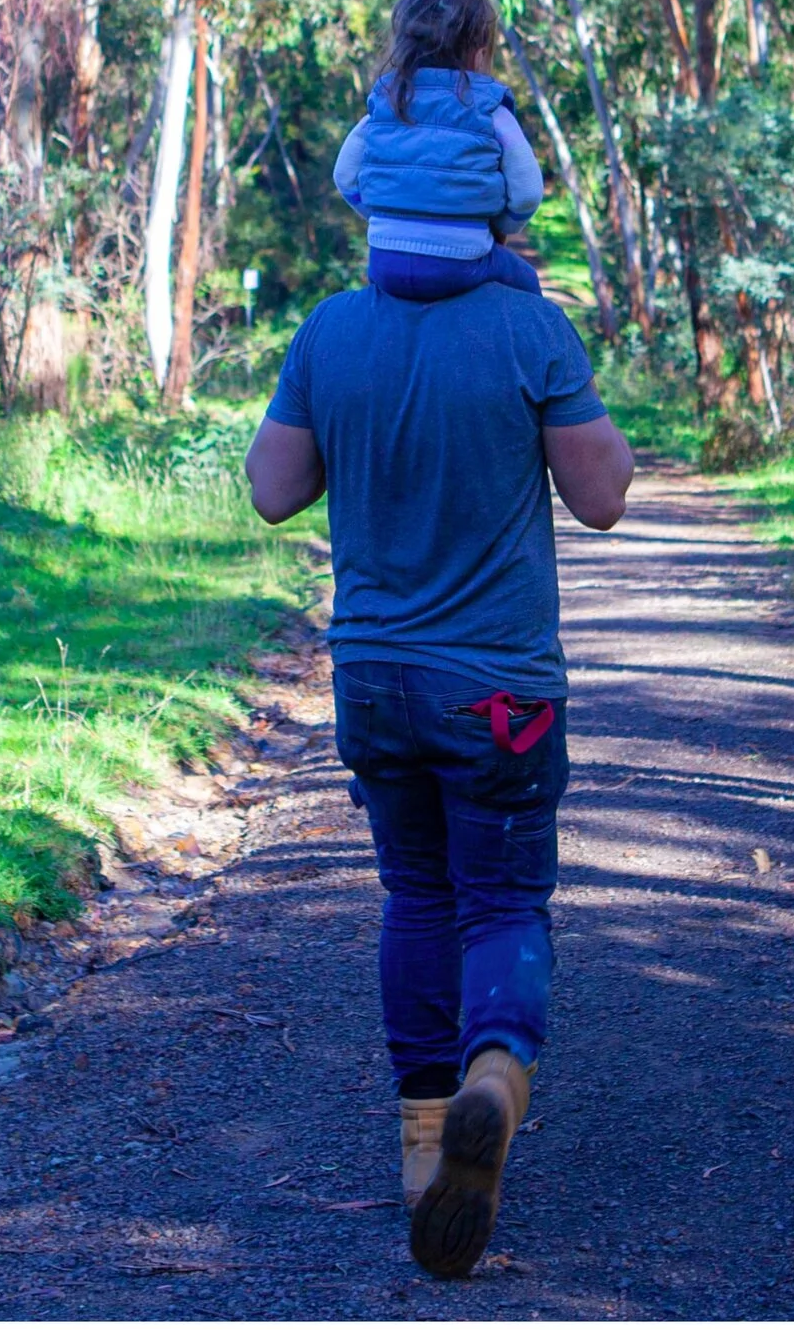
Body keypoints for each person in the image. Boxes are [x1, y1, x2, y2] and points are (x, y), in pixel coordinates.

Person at [241, 215, 634, 1275]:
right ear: (493, 219)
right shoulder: (528, 330)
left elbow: (273, 490)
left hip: (374, 678)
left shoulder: (329, 330)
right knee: (501, 901)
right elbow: (601, 498)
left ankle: (427, 1156)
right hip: (498, 685)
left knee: (416, 896)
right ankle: (496, 1077)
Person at [333, 0, 548, 305]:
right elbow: (527, 192)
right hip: (462, 263)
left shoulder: (387, 101)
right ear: (480, 51)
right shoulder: (489, 107)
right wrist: (502, 226)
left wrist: (383, 213)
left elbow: (344, 175)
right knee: (525, 282)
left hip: (385, 262)